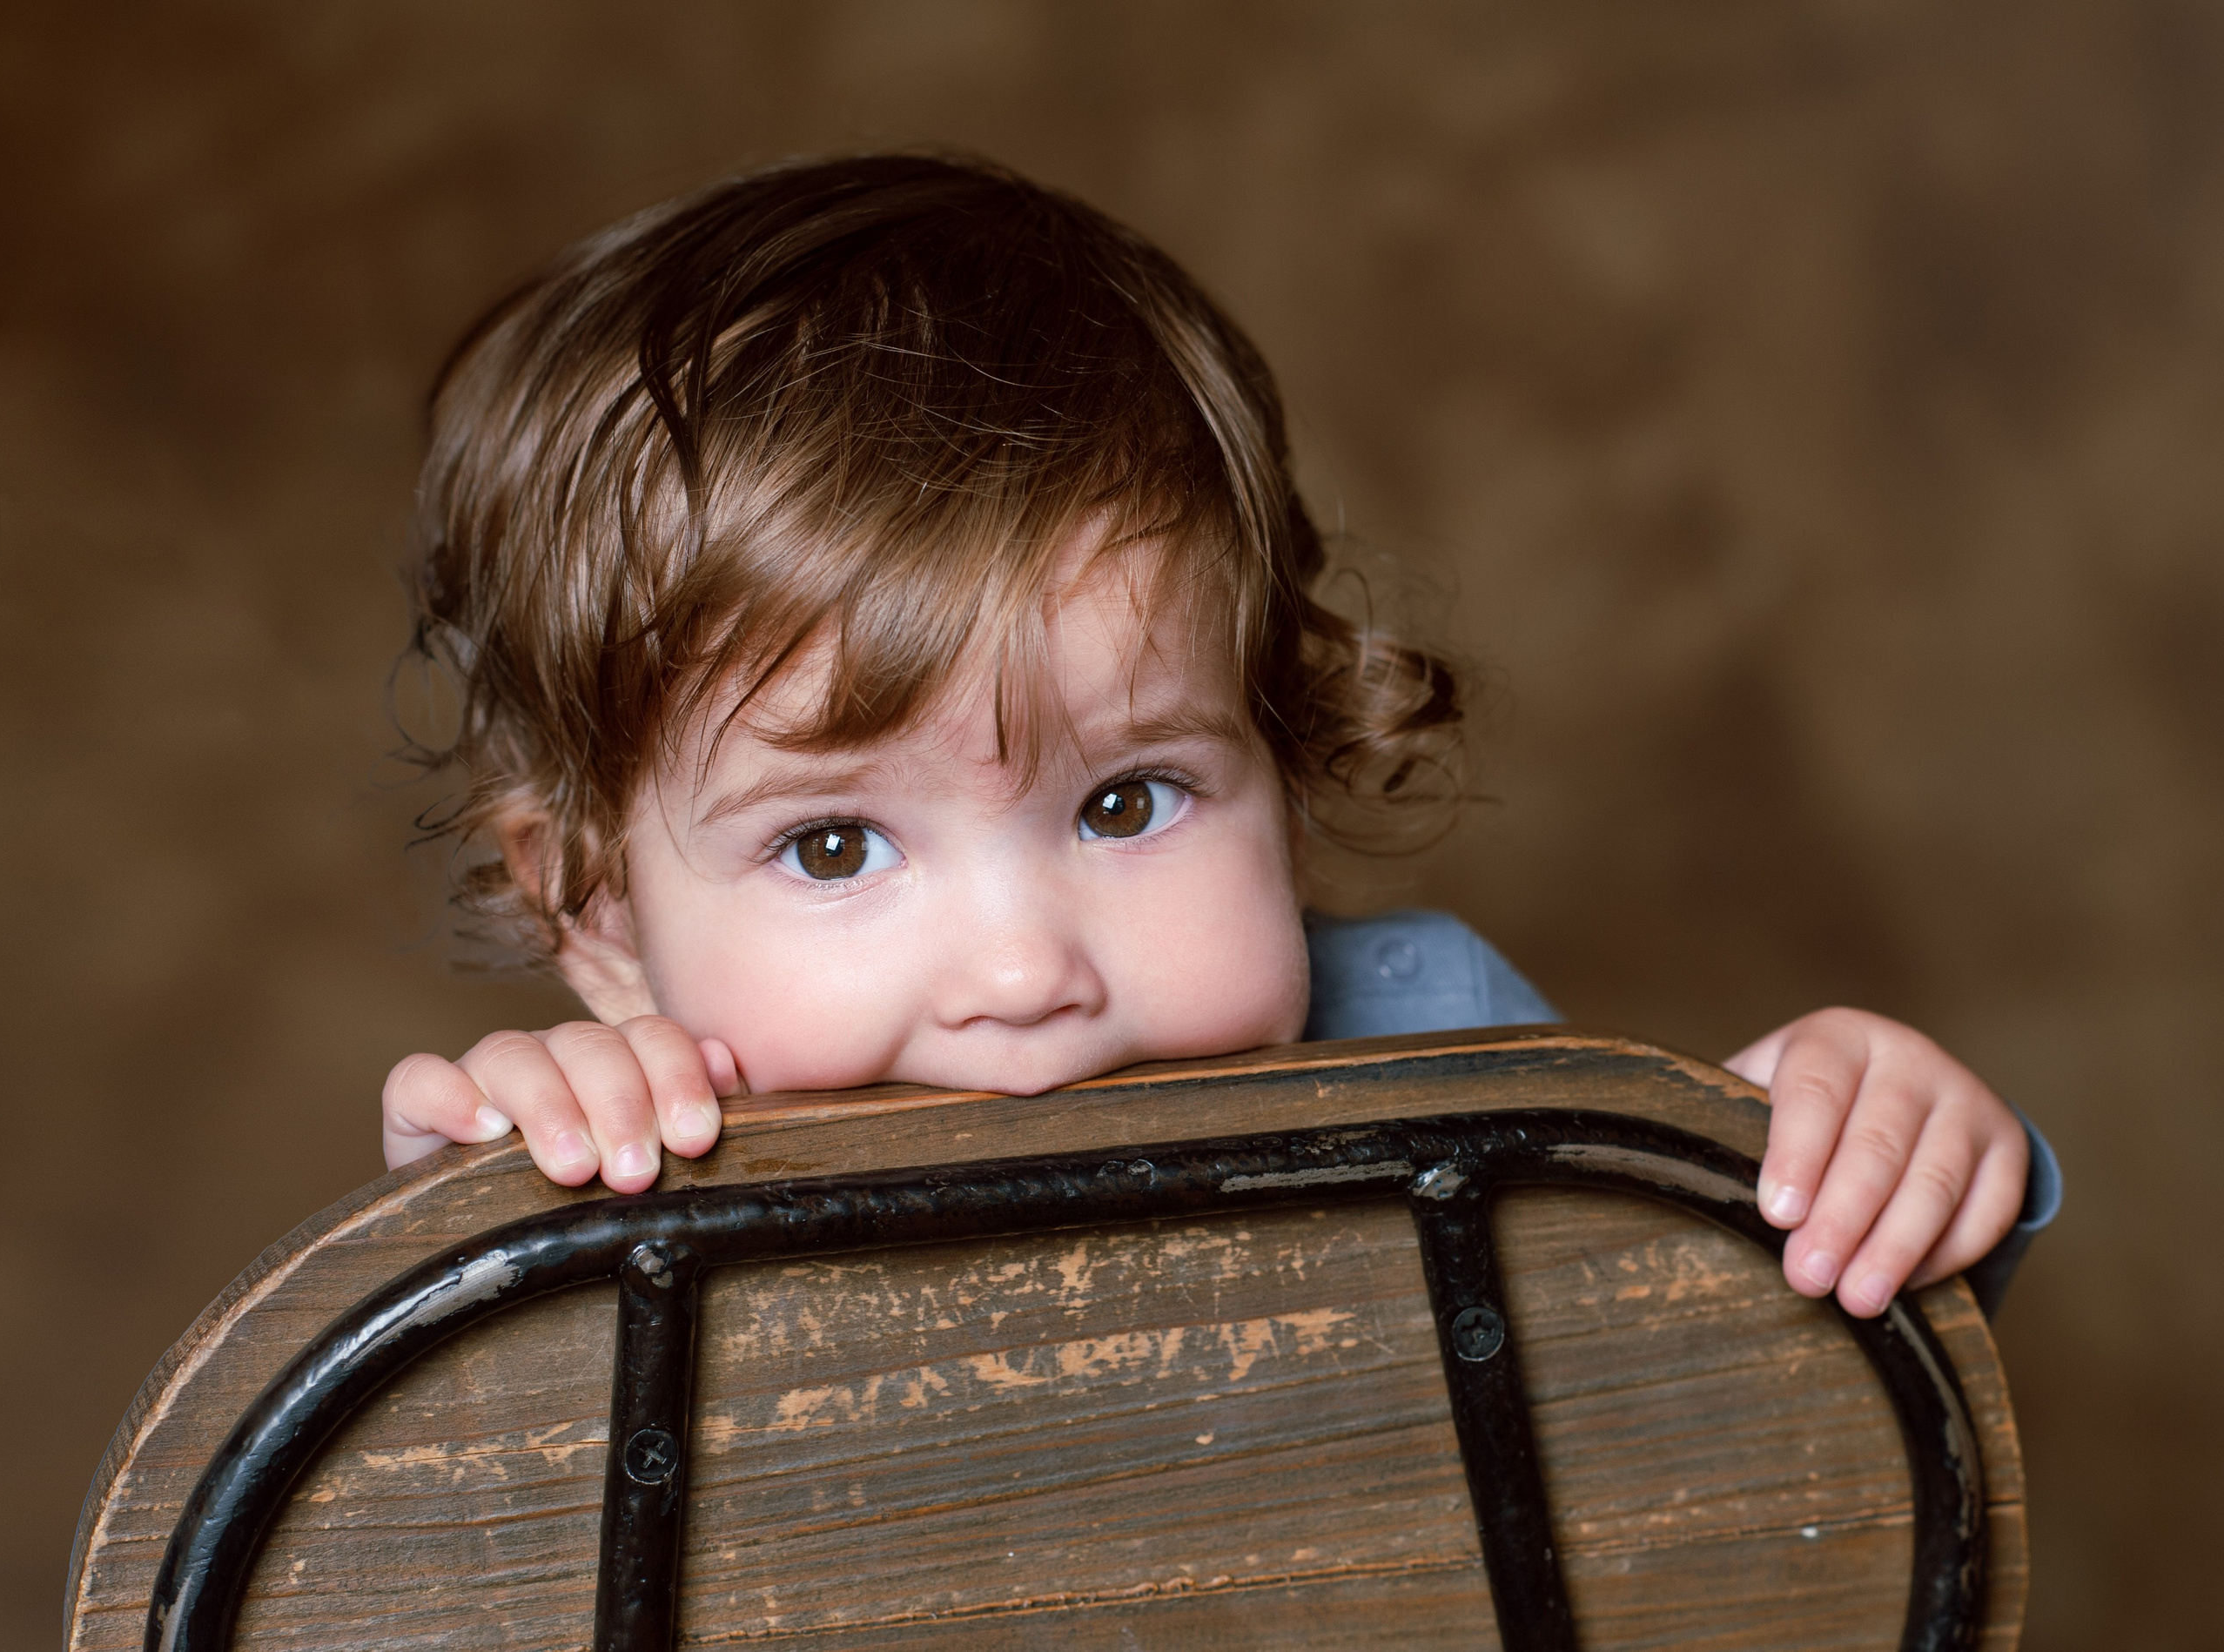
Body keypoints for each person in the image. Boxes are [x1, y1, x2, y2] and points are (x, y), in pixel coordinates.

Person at [380, 154, 2057, 1320]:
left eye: (1127, 800)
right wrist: (487, 1220)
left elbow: (1729, 1401)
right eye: (833, 843)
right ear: (595, 911)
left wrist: (1838, 1168)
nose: (1026, 971)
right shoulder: (627, 1162)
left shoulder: (1439, 1048)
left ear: (1285, 759)